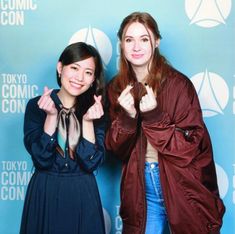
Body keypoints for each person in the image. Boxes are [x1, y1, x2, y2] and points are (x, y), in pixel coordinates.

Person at [105, 12, 225, 234]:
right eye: (129, 40)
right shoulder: (116, 88)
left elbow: (190, 146)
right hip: (142, 187)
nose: (136, 47)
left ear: (156, 41)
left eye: (144, 39)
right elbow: (116, 149)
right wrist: (127, 118)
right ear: (121, 44)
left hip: (181, 184)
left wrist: (154, 117)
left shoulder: (179, 85)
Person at [20, 42, 106, 234]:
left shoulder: (95, 110)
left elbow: (90, 163)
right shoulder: (36, 106)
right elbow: (41, 159)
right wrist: (51, 117)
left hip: (83, 193)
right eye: (74, 68)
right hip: (45, 192)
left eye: (88, 72)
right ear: (60, 68)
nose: (80, 78)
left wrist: (88, 122)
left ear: (93, 79)